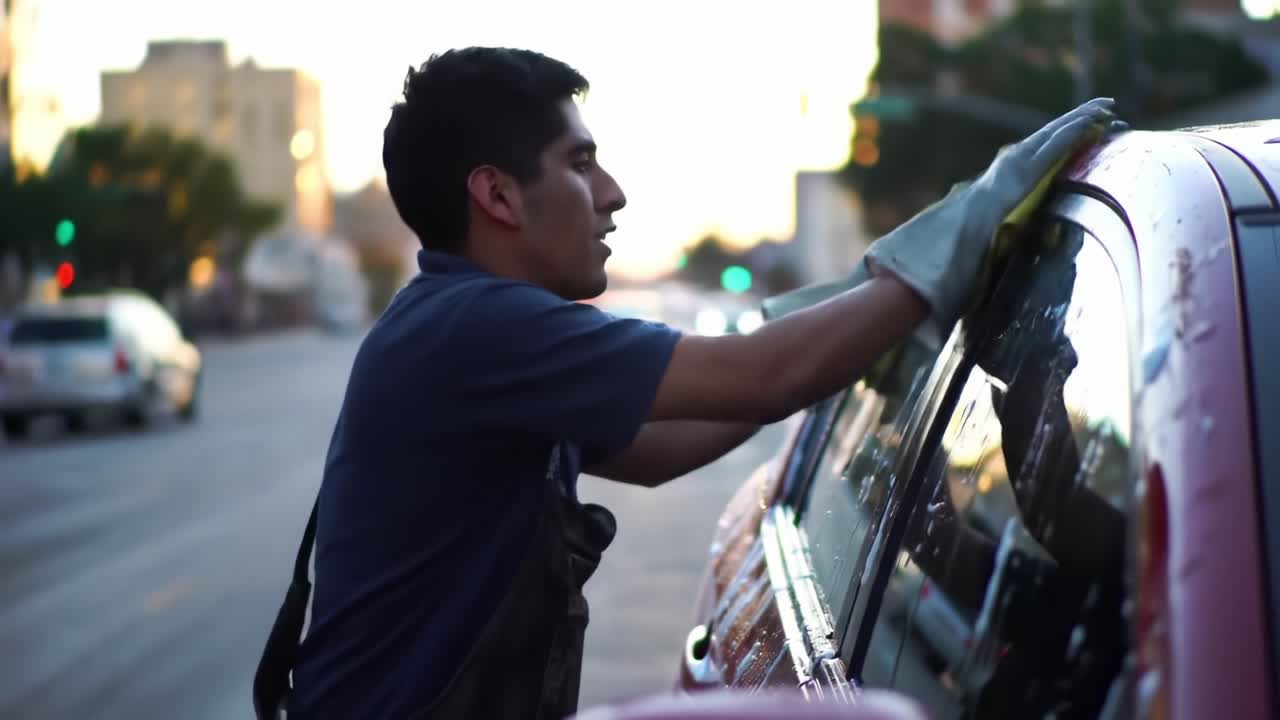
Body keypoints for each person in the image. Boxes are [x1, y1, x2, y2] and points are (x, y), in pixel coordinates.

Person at [253, 46, 1119, 720]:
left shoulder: (464, 329)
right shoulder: (475, 329)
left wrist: (864, 308)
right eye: (580, 163)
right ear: (499, 196)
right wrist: (951, 242)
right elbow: (761, 377)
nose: (613, 193)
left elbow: (667, 442)